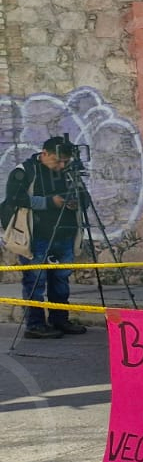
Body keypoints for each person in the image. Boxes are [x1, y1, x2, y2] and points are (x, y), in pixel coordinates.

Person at [2, 136, 88, 339]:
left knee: (61, 281)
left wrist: (77, 201)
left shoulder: (69, 172)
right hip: (36, 237)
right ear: (45, 154)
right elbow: (15, 199)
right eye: (58, 161)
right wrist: (50, 202)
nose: (61, 165)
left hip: (64, 234)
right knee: (35, 282)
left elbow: (86, 198)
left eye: (65, 161)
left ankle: (60, 319)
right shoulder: (24, 171)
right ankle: (35, 324)